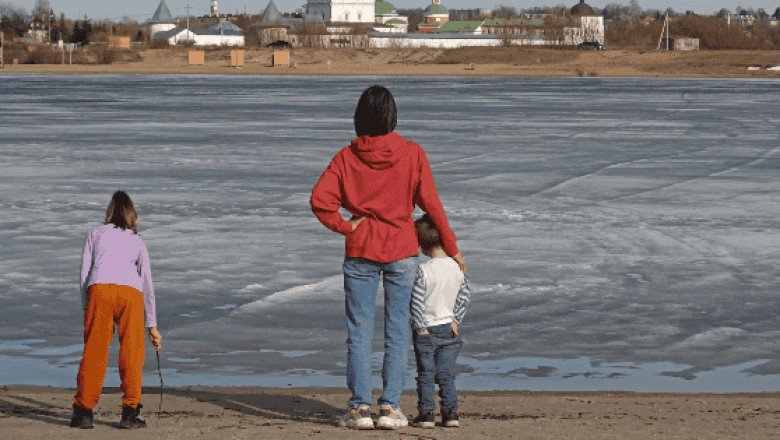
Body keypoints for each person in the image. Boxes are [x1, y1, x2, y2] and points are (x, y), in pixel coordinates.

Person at [310, 85, 467, 430]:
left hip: (362, 248)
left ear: (359, 117)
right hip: (400, 249)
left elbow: (319, 201)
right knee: (397, 330)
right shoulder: (412, 154)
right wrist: (452, 248)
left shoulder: (346, 157)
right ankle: (390, 407)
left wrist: (345, 226)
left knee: (359, 331)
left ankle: (359, 409)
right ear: (392, 116)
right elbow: (433, 206)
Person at [69, 190, 162, 430]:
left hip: (100, 289)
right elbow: (148, 283)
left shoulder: (95, 234)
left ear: (109, 213)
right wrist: (152, 324)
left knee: (95, 350)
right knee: (132, 351)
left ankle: (83, 412)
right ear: (133, 216)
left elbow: (83, 274)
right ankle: (130, 411)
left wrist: (85, 306)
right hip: (131, 293)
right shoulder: (137, 240)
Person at [410, 214, 471, 429]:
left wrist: (420, 327)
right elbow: (464, 296)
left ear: (420, 245)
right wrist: (456, 320)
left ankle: (426, 414)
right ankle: (450, 413)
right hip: (449, 329)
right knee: (446, 374)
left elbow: (416, 302)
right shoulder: (457, 267)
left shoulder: (423, 271)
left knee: (426, 374)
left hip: (427, 329)